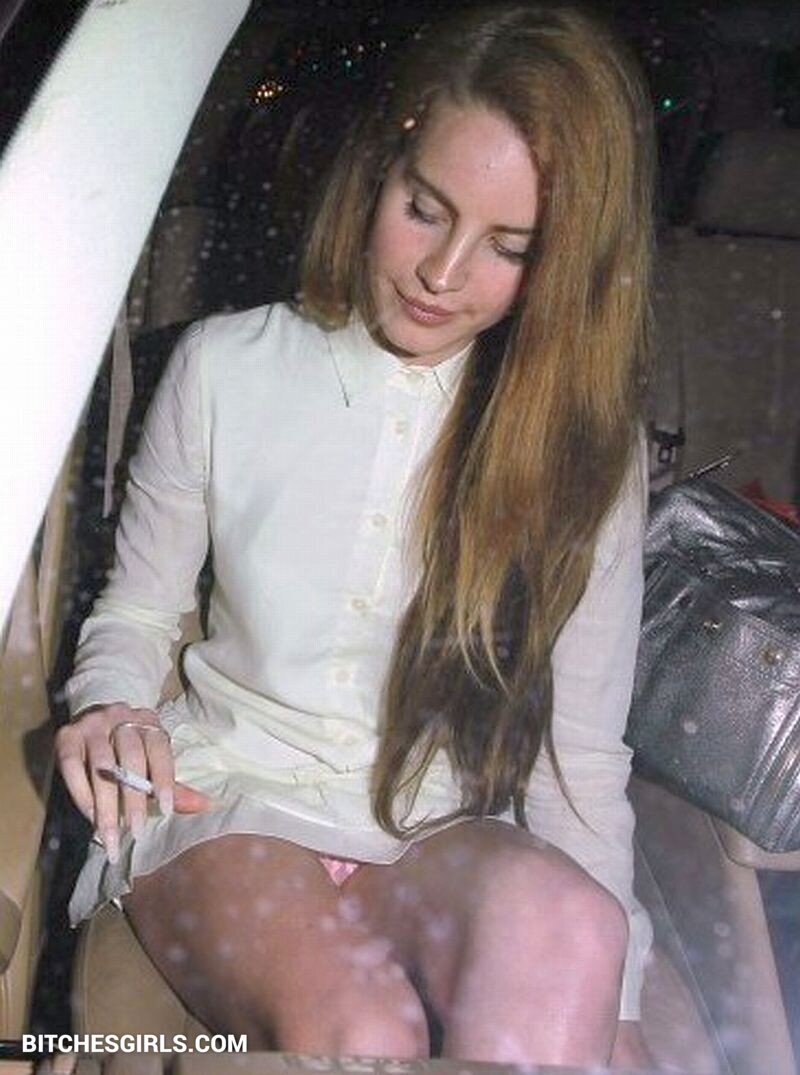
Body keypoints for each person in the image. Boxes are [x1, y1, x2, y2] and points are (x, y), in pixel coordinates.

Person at [57, 2, 658, 1068]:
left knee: (579, 933)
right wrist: (110, 703)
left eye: (508, 248)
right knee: (362, 1030)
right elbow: (138, 611)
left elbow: (579, 759)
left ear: (562, 263)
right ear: (383, 162)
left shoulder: (586, 451)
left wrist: (620, 1007)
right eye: (424, 209)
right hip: (225, 798)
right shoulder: (223, 367)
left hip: (435, 831)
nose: (441, 273)